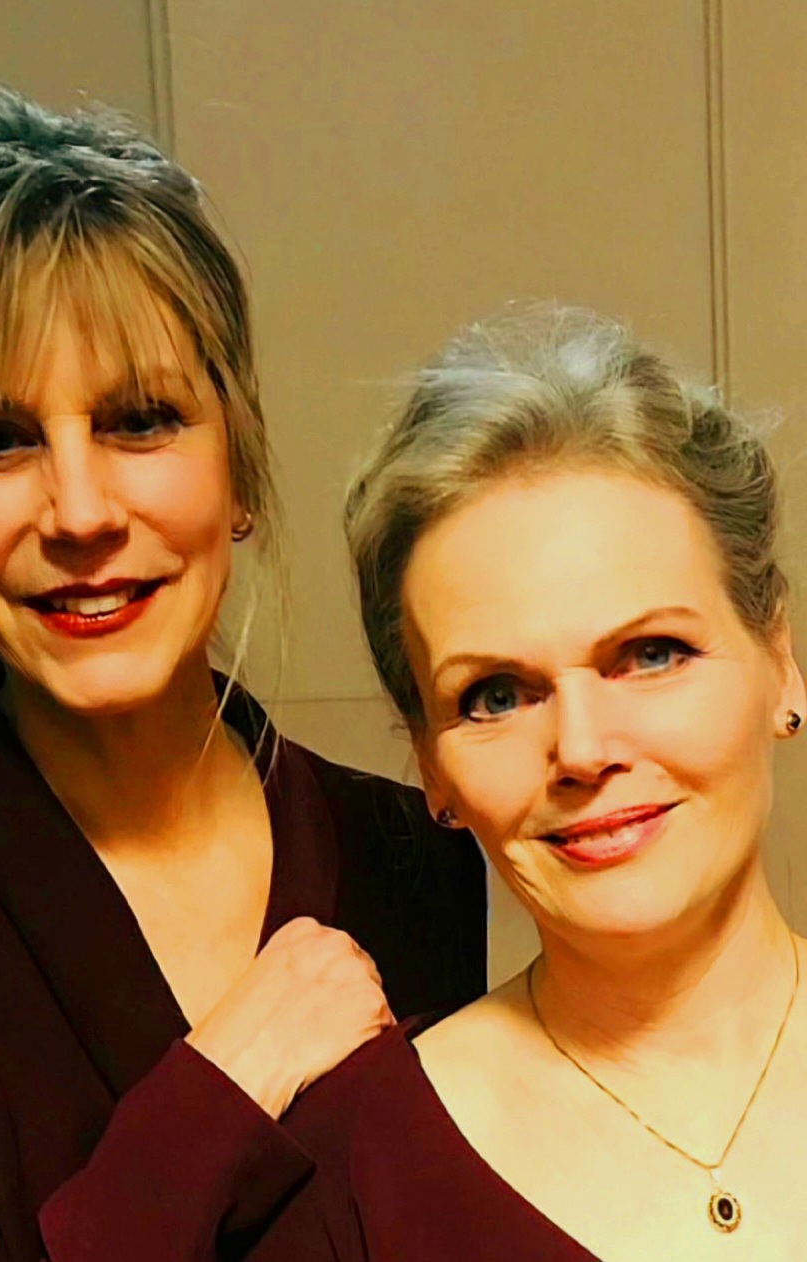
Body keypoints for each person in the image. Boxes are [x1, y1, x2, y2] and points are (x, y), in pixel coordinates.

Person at [0, 88, 486, 1262]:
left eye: (140, 420)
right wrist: (222, 1092)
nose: (80, 511)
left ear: (238, 465)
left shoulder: (415, 852)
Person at [244, 305, 807, 1262]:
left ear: (781, 663)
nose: (581, 750)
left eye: (651, 653)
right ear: (431, 764)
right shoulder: (352, 1172)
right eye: (496, 696)